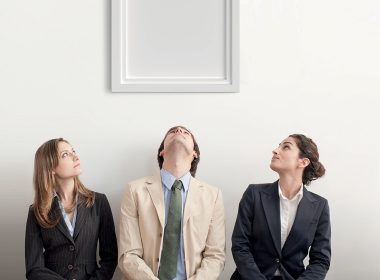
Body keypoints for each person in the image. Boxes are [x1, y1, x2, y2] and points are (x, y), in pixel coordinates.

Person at [118, 126, 225, 280]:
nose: (179, 131)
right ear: (162, 152)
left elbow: (215, 256)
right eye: (173, 132)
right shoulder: (134, 190)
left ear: (195, 154)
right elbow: (128, 254)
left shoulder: (212, 195)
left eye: (186, 132)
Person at [231, 134, 331, 280]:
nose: (275, 150)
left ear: (303, 162)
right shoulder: (254, 194)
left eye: (286, 147)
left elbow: (320, 260)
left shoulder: (320, 206)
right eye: (279, 146)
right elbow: (240, 246)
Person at [25, 138, 118, 280]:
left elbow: (110, 258)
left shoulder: (99, 202)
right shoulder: (36, 211)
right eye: (65, 154)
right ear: (50, 168)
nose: (75, 156)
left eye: (73, 151)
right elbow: (34, 269)